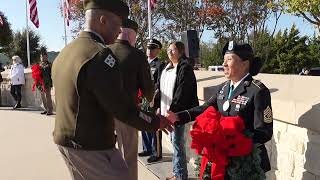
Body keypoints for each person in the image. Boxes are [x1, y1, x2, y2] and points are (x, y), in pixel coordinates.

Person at [51, 1, 171, 180]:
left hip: (71, 140)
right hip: (89, 145)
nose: (118, 33)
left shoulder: (67, 51)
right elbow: (123, 109)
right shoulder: (100, 55)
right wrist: (155, 122)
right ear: (103, 20)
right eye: (117, 26)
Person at [166, 41, 273, 179]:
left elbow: (264, 131)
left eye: (229, 59)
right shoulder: (223, 88)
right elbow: (205, 109)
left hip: (246, 165)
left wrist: (235, 142)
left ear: (245, 64)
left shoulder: (257, 91)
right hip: (223, 161)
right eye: (224, 60)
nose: (224, 64)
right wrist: (178, 117)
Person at [109, 18, 154, 180]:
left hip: (103, 114)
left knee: (108, 156)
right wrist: (150, 99)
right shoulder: (137, 55)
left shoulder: (103, 50)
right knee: (129, 156)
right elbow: (148, 88)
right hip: (127, 115)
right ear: (130, 34)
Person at [156, 41, 199, 180]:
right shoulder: (167, 67)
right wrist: (158, 106)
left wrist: (172, 111)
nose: (169, 52)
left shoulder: (185, 68)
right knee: (174, 143)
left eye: (173, 50)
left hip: (177, 113)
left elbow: (182, 92)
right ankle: (176, 172)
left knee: (178, 144)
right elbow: (160, 89)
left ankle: (181, 175)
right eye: (168, 50)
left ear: (181, 52)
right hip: (167, 111)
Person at [138, 38, 165, 163]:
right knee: (144, 124)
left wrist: (153, 98)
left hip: (153, 100)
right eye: (148, 48)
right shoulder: (143, 63)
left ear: (158, 50)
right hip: (143, 99)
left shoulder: (160, 65)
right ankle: (147, 148)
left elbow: (160, 84)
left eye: (152, 48)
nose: (149, 50)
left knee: (153, 126)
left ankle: (156, 152)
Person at [39, 51, 53, 115]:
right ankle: (45, 109)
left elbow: (52, 73)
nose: (42, 58)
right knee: (42, 97)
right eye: (41, 56)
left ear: (46, 57)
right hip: (41, 83)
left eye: (44, 56)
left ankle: (50, 110)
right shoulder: (39, 65)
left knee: (48, 96)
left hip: (47, 82)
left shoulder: (49, 64)